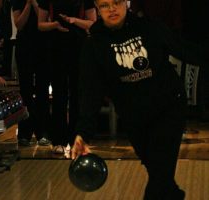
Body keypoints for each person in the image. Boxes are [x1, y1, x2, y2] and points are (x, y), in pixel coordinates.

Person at [71, 0, 209, 199]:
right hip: (135, 121)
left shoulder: (150, 28)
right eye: (104, 5)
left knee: (159, 178)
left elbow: (185, 49)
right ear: (97, 8)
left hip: (168, 109)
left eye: (116, 2)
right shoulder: (94, 45)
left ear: (125, 3)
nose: (112, 9)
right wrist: (83, 132)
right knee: (161, 178)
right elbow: (90, 92)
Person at [38, 0, 97, 154]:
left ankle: (76, 138)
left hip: (79, 47)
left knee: (78, 94)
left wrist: (74, 20)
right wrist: (55, 25)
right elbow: (40, 24)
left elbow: (93, 23)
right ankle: (58, 139)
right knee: (59, 94)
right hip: (56, 48)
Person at [11, 0, 52, 146]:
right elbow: (19, 24)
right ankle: (25, 132)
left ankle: (43, 131)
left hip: (44, 45)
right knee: (25, 91)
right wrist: (28, 4)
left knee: (43, 90)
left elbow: (47, 20)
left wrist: (35, 4)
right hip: (24, 46)